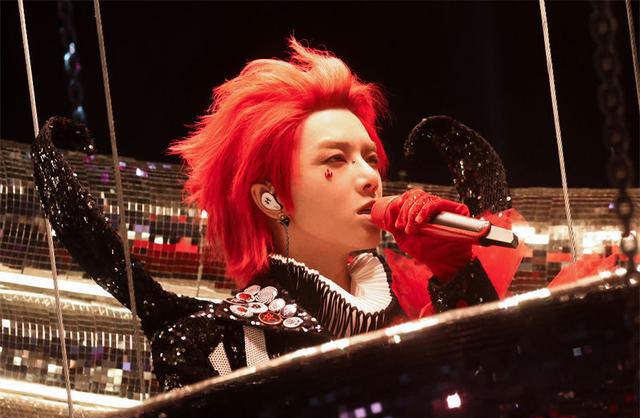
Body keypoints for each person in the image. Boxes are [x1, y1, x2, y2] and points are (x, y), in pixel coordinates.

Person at [32, 37, 520, 391]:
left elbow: (504, 401)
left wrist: (457, 277)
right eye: (336, 159)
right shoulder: (215, 346)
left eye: (370, 158)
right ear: (271, 199)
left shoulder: (420, 309)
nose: (370, 177)